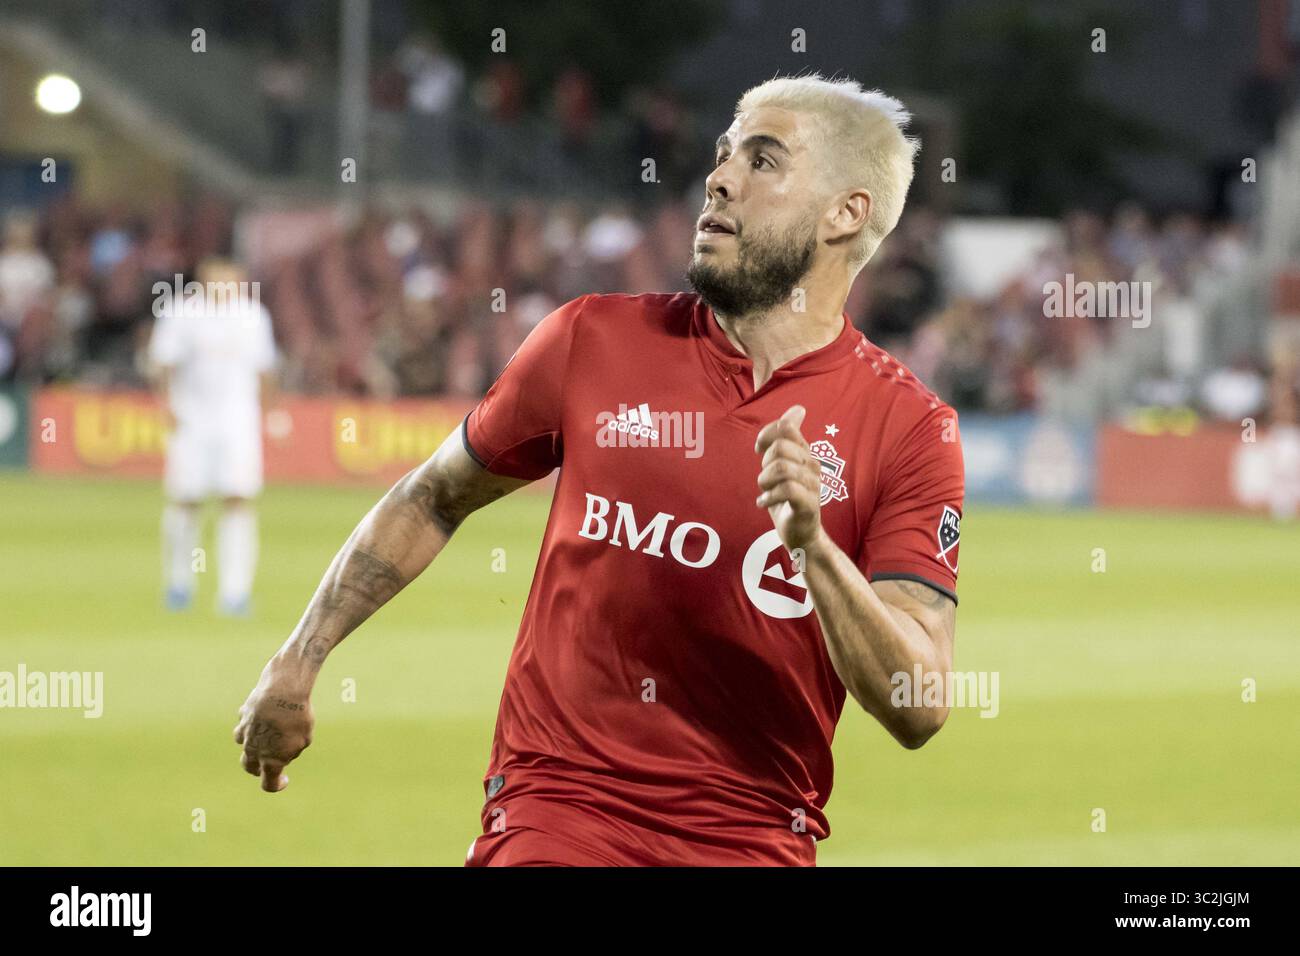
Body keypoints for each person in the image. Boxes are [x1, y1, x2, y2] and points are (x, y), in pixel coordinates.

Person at [234, 74, 964, 866]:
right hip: (558, 810)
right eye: (723, 155)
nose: (719, 178)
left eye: (763, 161)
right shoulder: (594, 341)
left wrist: (815, 547)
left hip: (755, 839)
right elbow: (435, 496)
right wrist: (298, 660)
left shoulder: (911, 432)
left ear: (846, 213)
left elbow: (915, 705)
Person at [149, 258, 277, 615]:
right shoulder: (181, 313)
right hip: (192, 420)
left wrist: (267, 412)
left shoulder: (253, 316)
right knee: (185, 500)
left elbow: (265, 369)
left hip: (238, 421)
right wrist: (166, 404)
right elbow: (163, 363)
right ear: (203, 282)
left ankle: (235, 593)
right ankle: (179, 585)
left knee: (238, 499)